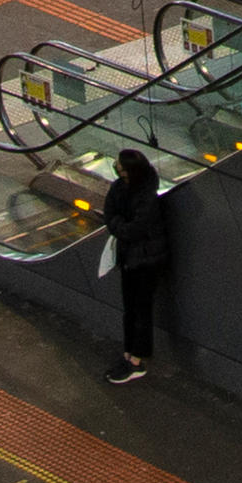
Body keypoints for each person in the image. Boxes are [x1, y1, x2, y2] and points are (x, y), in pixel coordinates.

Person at [100, 149, 166, 385]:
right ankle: (129, 354)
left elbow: (132, 228)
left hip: (146, 260)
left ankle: (136, 360)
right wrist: (119, 224)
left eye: (120, 165)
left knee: (140, 309)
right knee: (130, 308)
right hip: (130, 257)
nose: (116, 167)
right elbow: (110, 215)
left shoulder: (146, 196)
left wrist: (117, 223)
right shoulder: (121, 187)